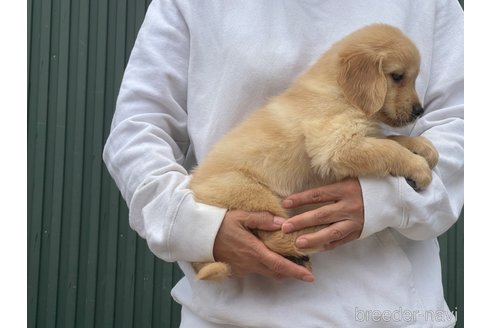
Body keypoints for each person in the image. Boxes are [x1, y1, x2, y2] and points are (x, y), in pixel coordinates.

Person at [103, 0, 464, 326]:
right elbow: (137, 129)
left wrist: (388, 199)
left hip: (390, 313)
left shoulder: (430, 5)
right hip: (235, 315)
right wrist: (197, 228)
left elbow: (466, 124)